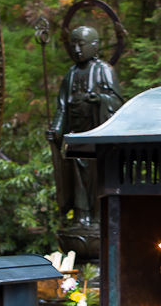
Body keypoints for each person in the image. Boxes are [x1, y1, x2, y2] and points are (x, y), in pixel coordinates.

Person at [47, 25, 123, 226]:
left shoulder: (104, 70)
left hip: (98, 135)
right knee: (77, 178)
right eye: (74, 45)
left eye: (81, 45)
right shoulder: (70, 74)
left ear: (94, 46)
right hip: (75, 135)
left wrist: (99, 99)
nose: (77, 50)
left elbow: (116, 102)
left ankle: (99, 216)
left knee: (98, 175)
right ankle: (82, 216)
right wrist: (56, 128)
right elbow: (62, 106)